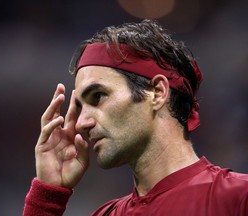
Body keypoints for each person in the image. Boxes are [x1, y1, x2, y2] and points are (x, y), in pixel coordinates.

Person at [23, 20, 248, 216]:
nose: (81, 123)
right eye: (81, 107)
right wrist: (47, 198)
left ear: (158, 93)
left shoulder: (239, 198)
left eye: (98, 96)